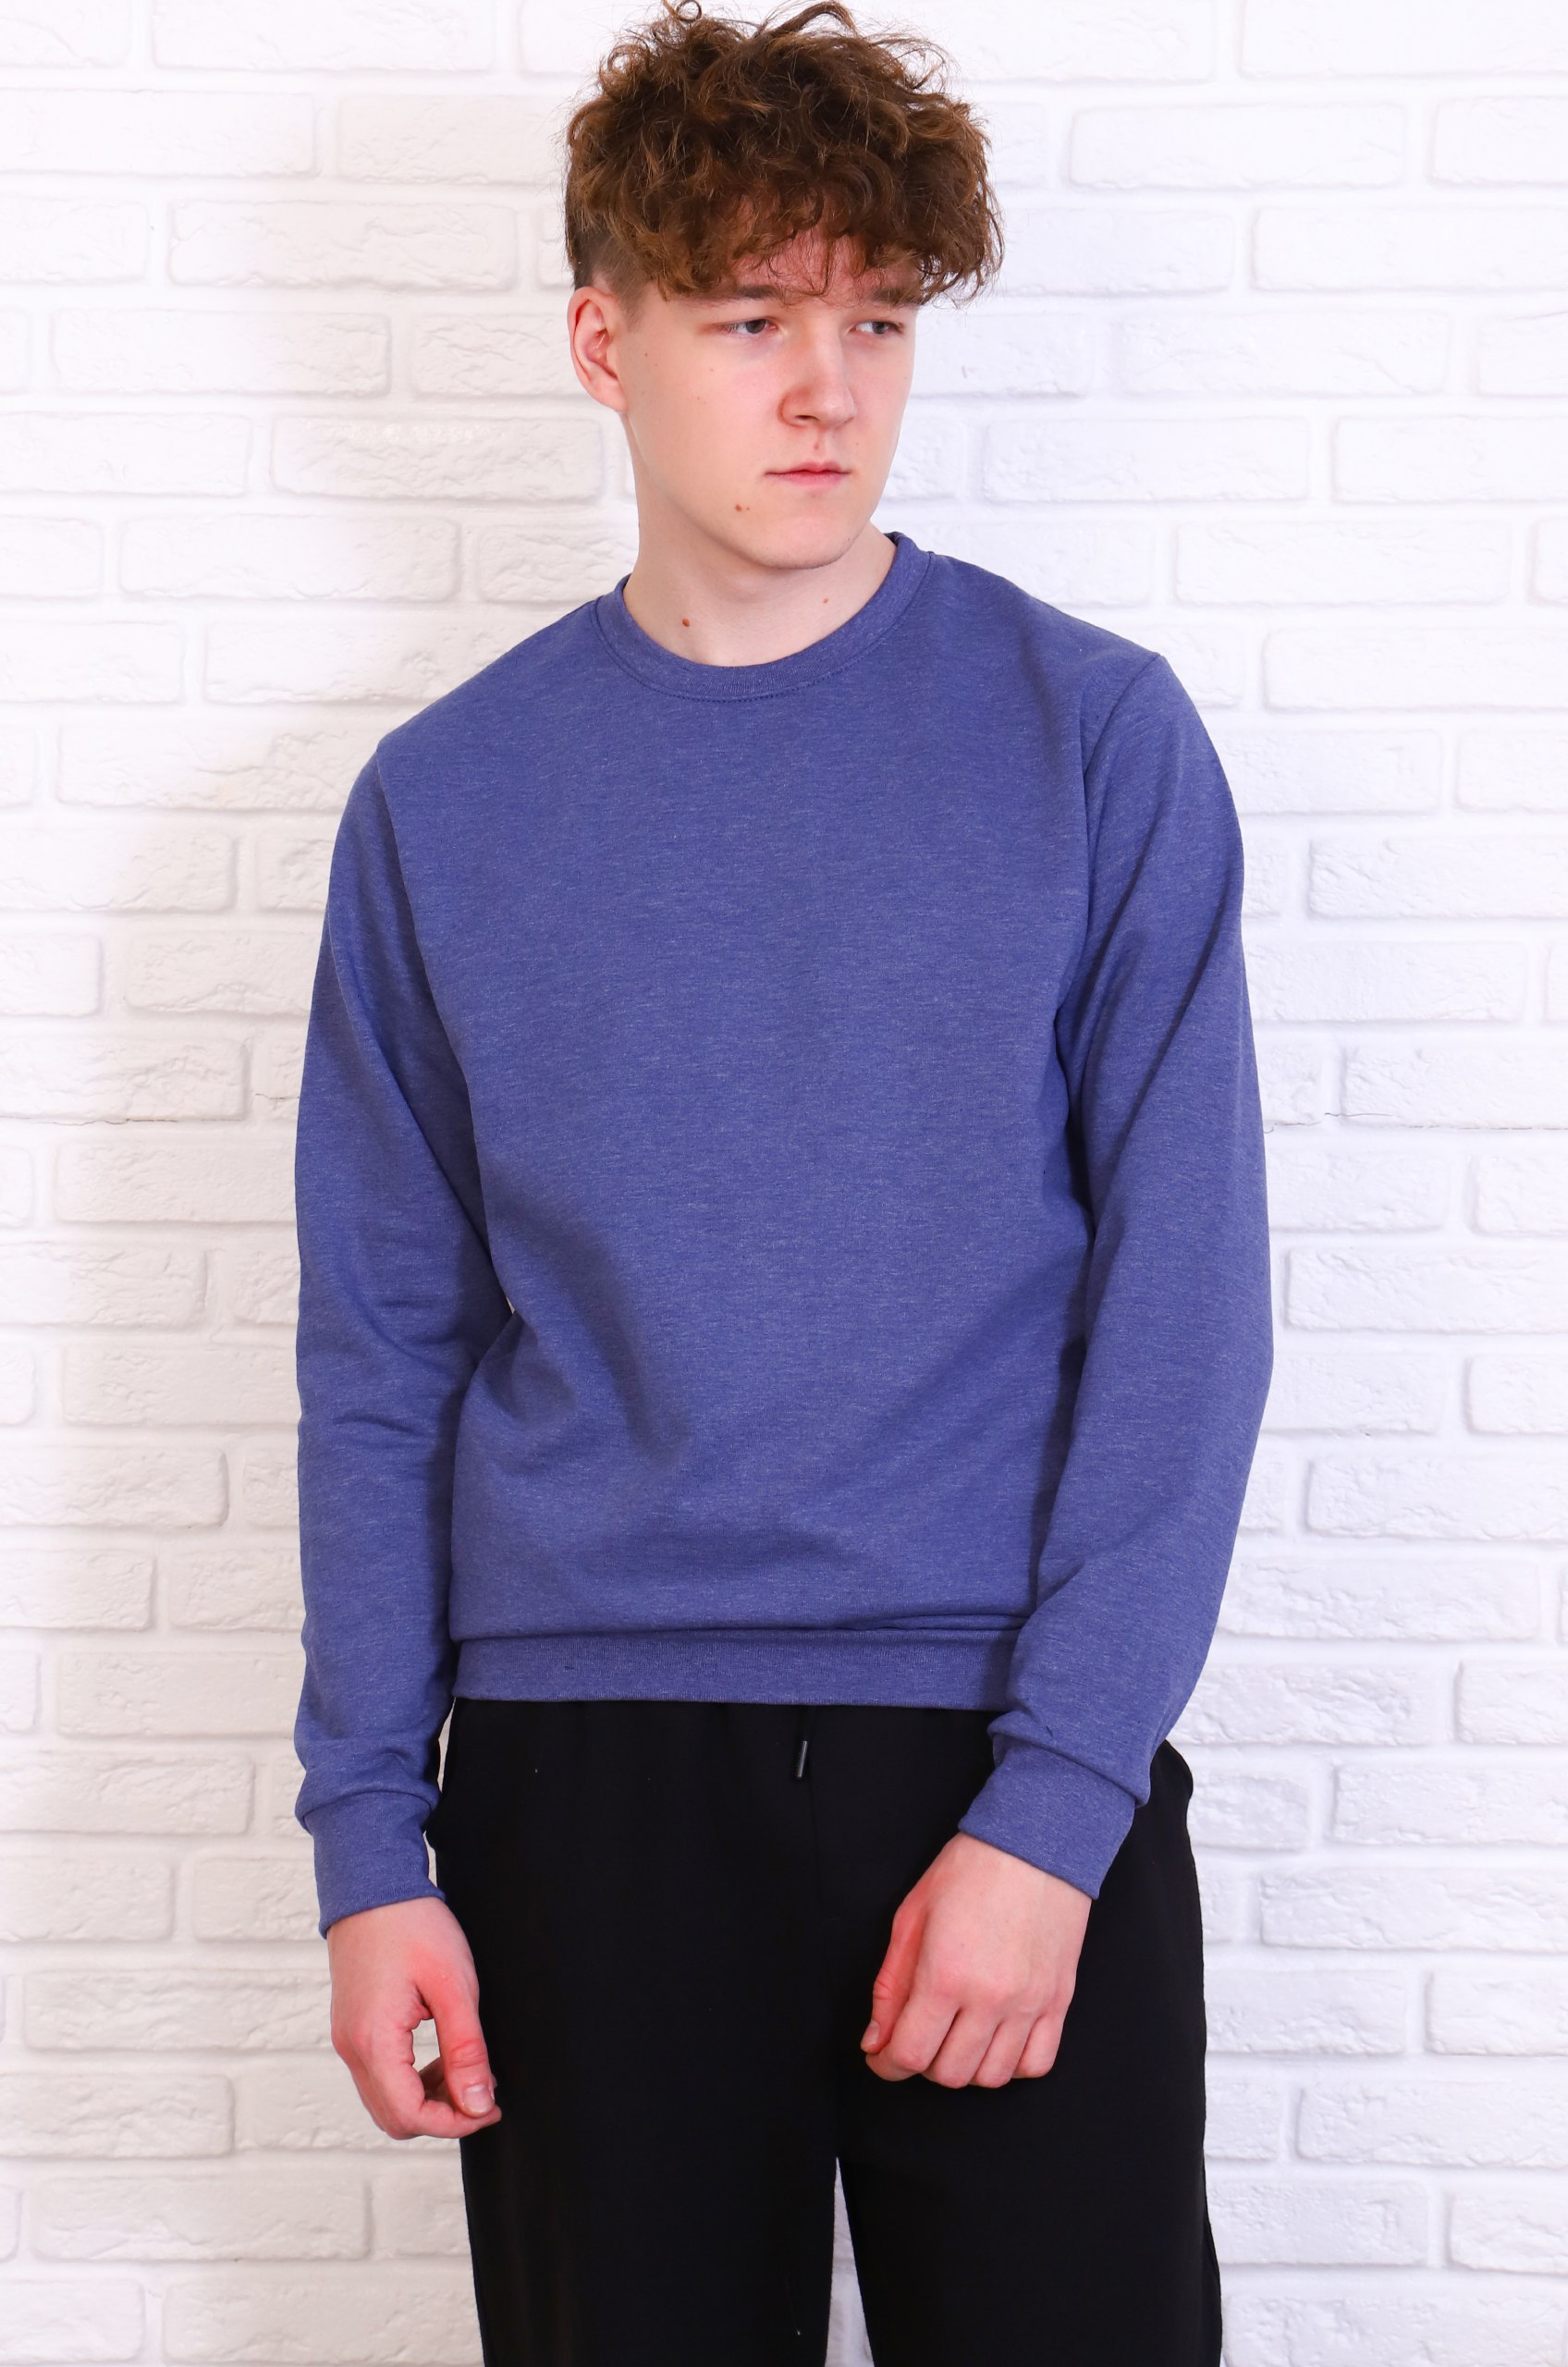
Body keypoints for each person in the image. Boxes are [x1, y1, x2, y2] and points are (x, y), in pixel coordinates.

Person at [289, 4, 1274, 2361]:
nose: (825, 388)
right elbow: (381, 1349)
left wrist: (1056, 1804)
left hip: (996, 1754)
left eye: (876, 321)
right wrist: (367, 1842)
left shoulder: (1091, 741)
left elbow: (1183, 1310)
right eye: (749, 319)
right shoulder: (446, 803)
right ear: (600, 343)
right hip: (585, 1787)